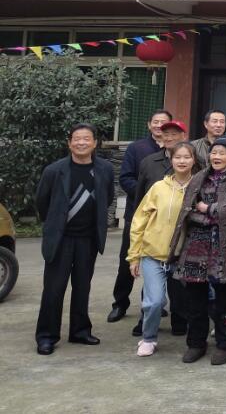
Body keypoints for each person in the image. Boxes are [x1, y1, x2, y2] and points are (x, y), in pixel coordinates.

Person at [35, 124, 116, 355]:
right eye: (77, 139)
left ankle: (80, 331)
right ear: (69, 143)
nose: (81, 143)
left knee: (82, 287)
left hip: (88, 239)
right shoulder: (54, 170)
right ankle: (47, 336)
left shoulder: (105, 169)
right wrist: (55, 224)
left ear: (94, 143)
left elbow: (107, 197)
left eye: (86, 138)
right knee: (54, 289)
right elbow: (42, 202)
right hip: (61, 239)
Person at [170, 136, 226, 365]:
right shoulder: (199, 177)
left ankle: (225, 344)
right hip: (196, 243)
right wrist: (208, 216)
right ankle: (196, 343)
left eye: (222, 153)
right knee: (195, 298)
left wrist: (208, 209)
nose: (216, 157)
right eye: (214, 153)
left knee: (225, 300)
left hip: (225, 247)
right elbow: (188, 209)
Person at [128, 142, 197, 357]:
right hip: (153, 254)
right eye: (178, 157)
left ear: (194, 160)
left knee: (190, 302)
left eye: (187, 157)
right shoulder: (158, 187)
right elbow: (139, 221)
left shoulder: (199, 187)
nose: (182, 161)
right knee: (155, 301)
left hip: (183, 257)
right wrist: (134, 256)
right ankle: (148, 338)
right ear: (171, 160)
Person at [109, 109, 172, 324]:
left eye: (164, 122)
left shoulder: (176, 151)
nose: (159, 125)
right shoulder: (136, 148)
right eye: (156, 122)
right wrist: (149, 196)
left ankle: (153, 304)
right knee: (128, 259)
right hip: (137, 213)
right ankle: (120, 303)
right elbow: (126, 178)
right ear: (149, 125)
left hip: (164, 218)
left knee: (158, 261)